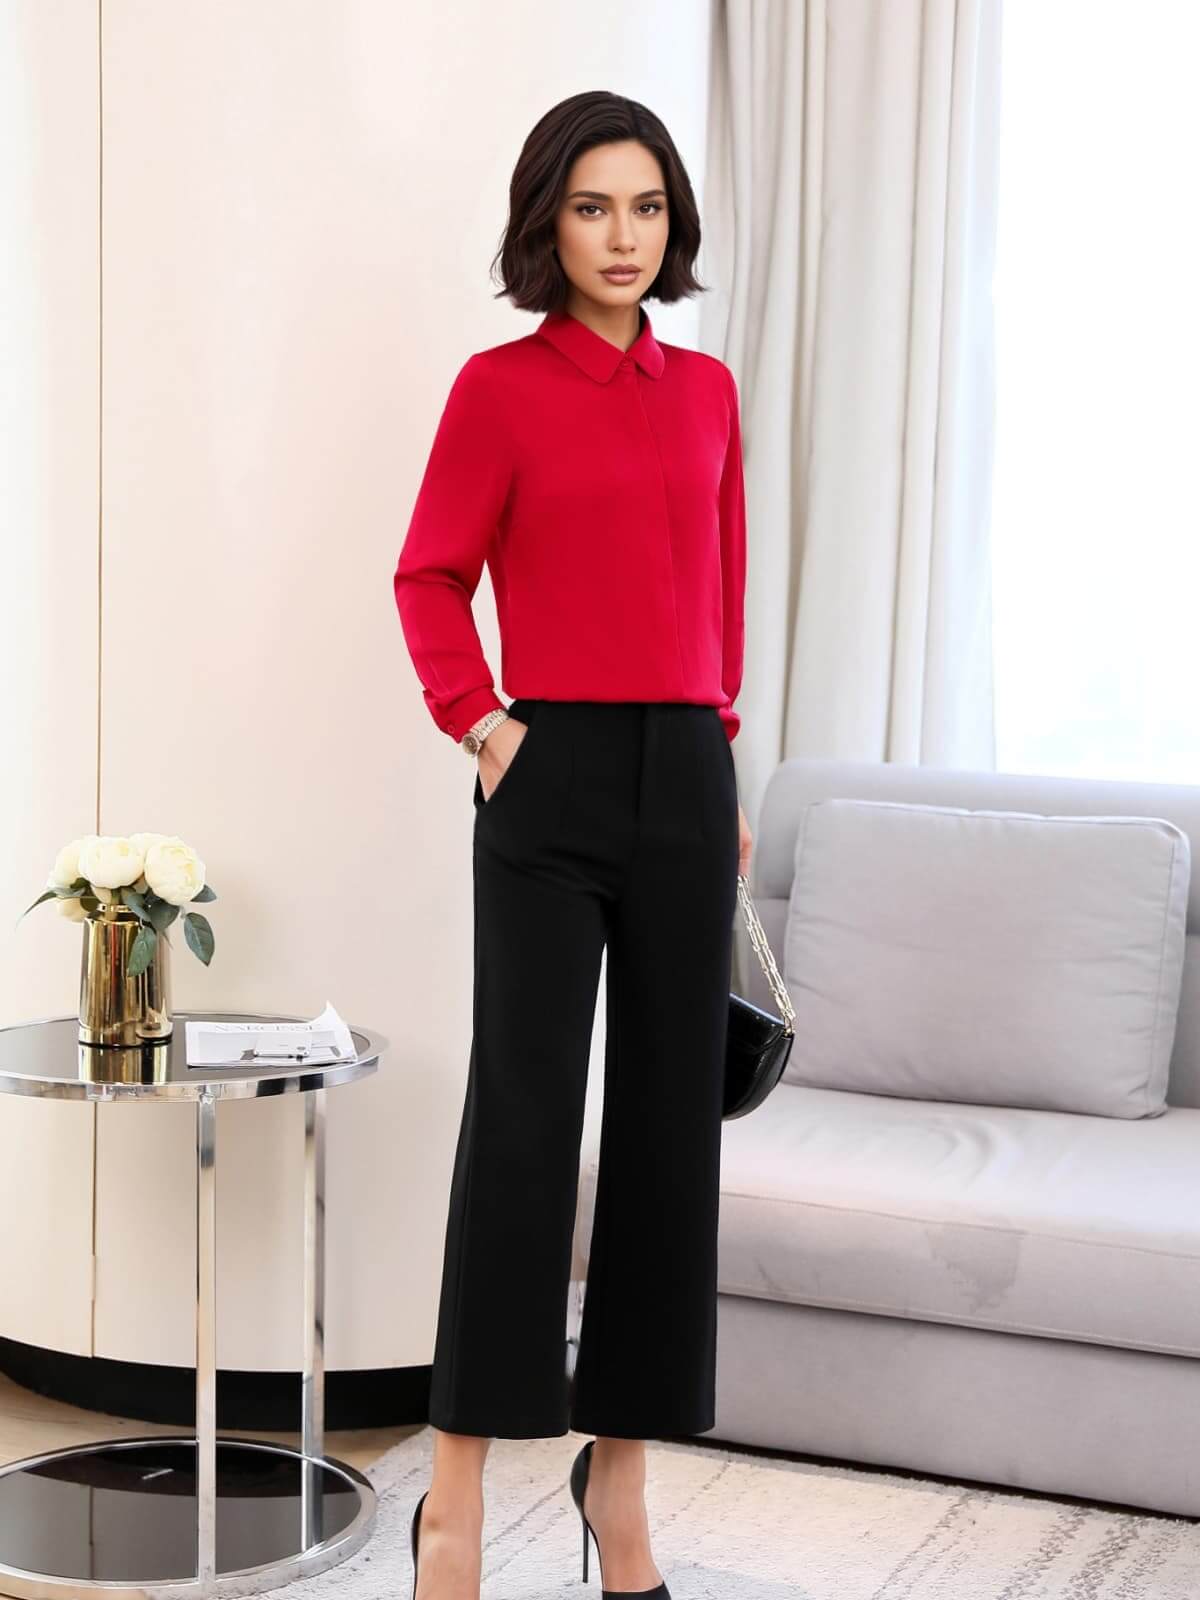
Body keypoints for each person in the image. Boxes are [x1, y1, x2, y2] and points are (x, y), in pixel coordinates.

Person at [392, 88, 751, 1600]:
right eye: (594, 206)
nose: (623, 236)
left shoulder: (707, 390)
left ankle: (625, 1489)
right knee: (525, 1127)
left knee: (670, 1139)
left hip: (687, 773)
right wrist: (483, 724)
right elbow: (428, 575)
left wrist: (721, 750)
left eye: (647, 207)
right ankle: (457, 1500)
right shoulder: (500, 388)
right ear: (550, 220)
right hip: (546, 780)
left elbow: (721, 588)